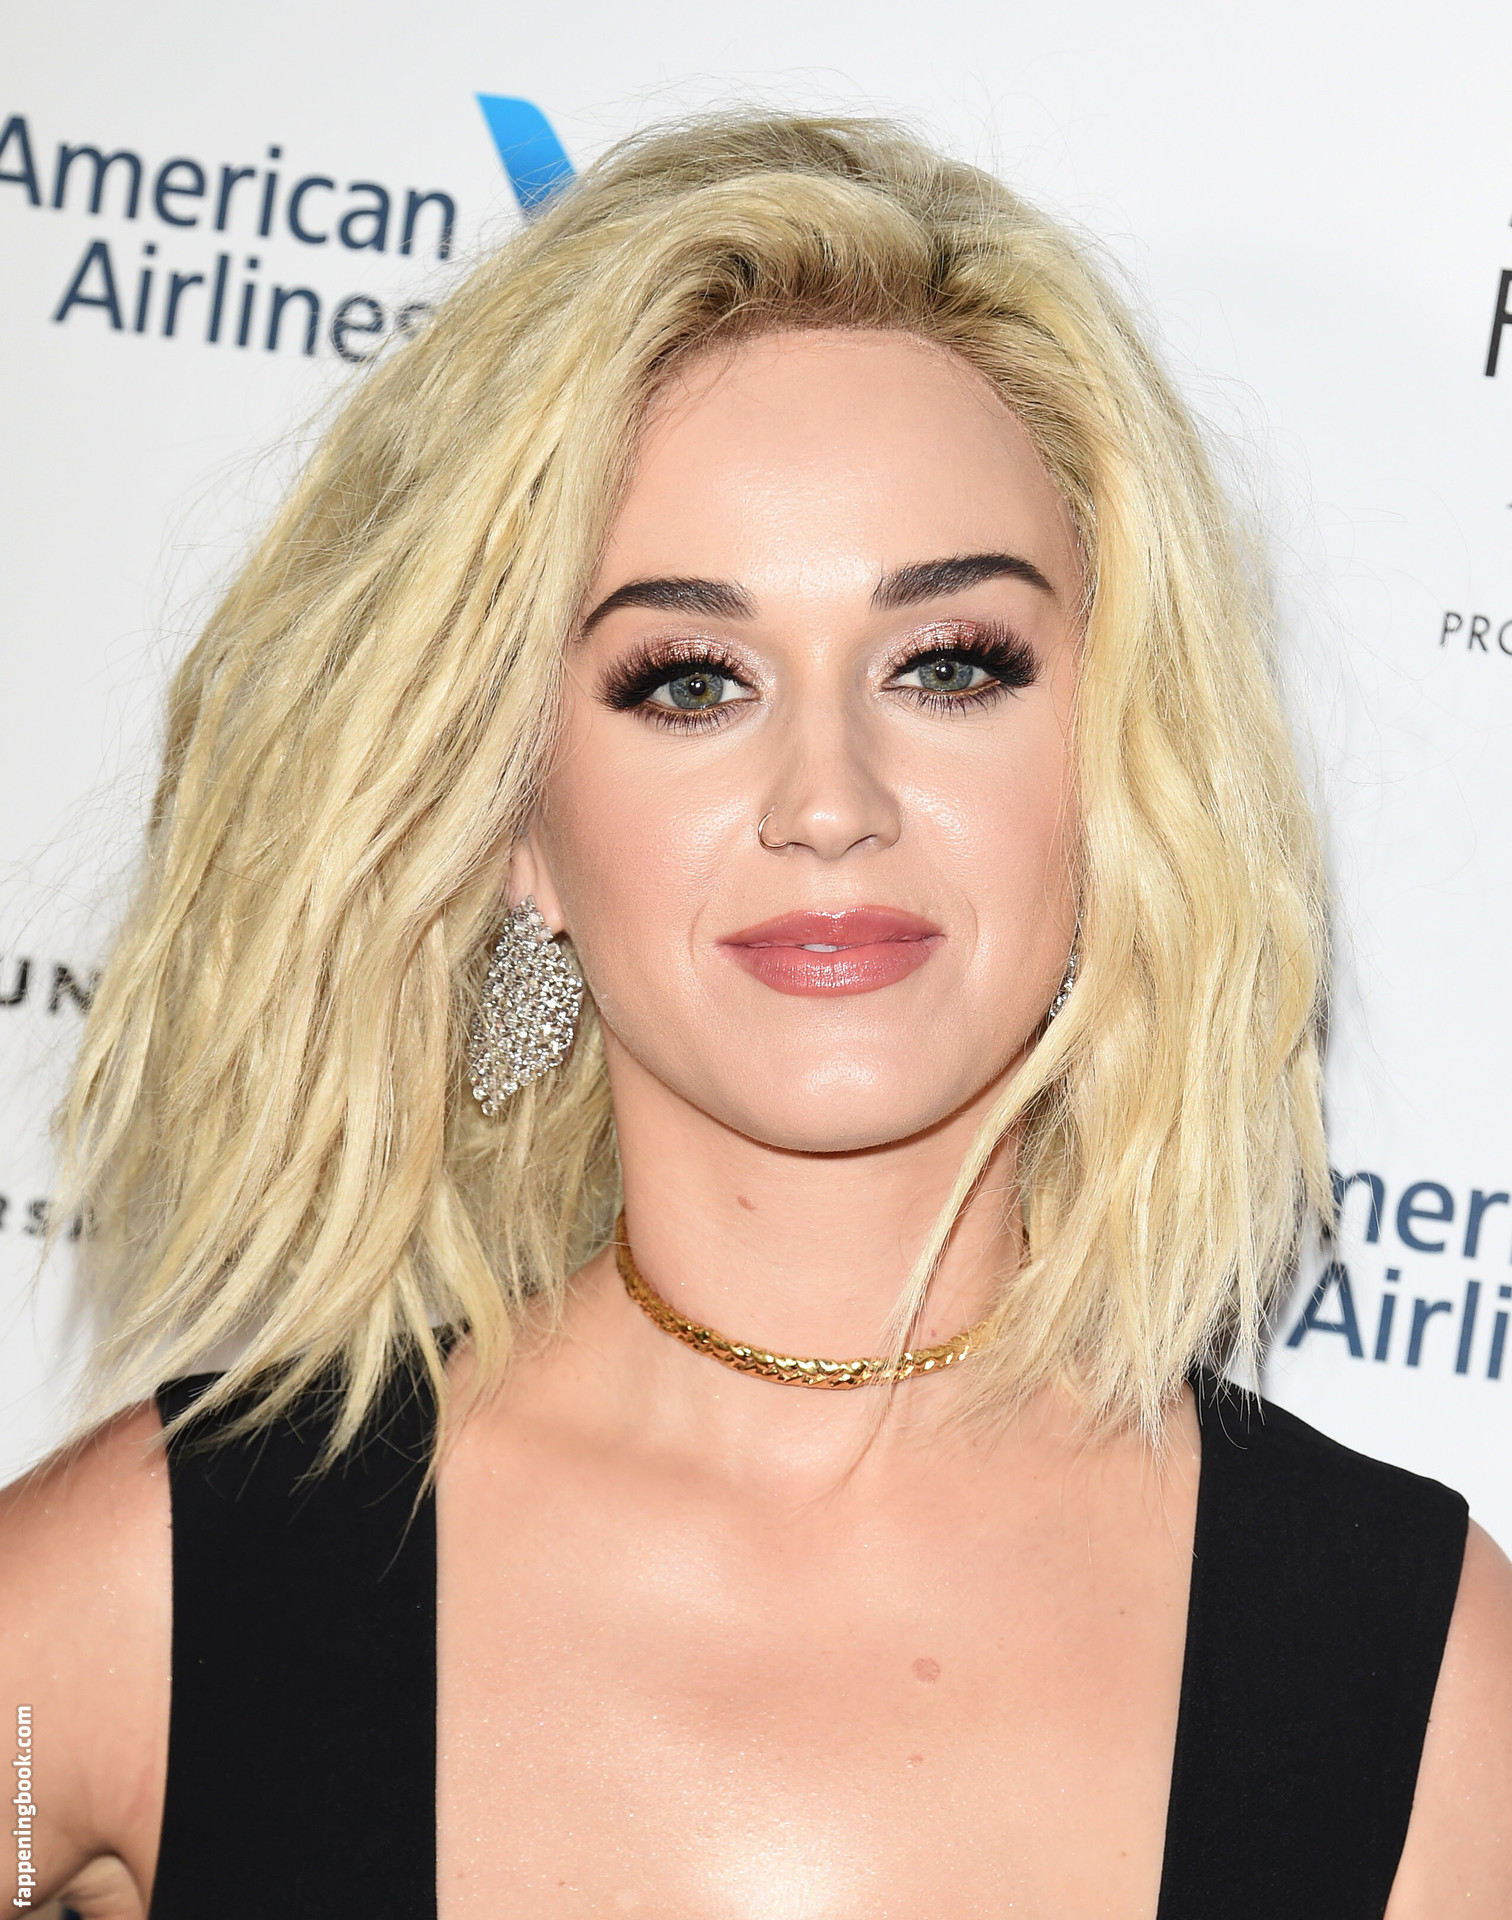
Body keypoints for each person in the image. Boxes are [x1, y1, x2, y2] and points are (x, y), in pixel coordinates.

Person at [3, 113, 1509, 1920]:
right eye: (689, 682)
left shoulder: (1414, 1685)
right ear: (515, 823)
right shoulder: (154, 1602)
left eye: (948, 665)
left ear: (1113, 764)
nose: (829, 800)